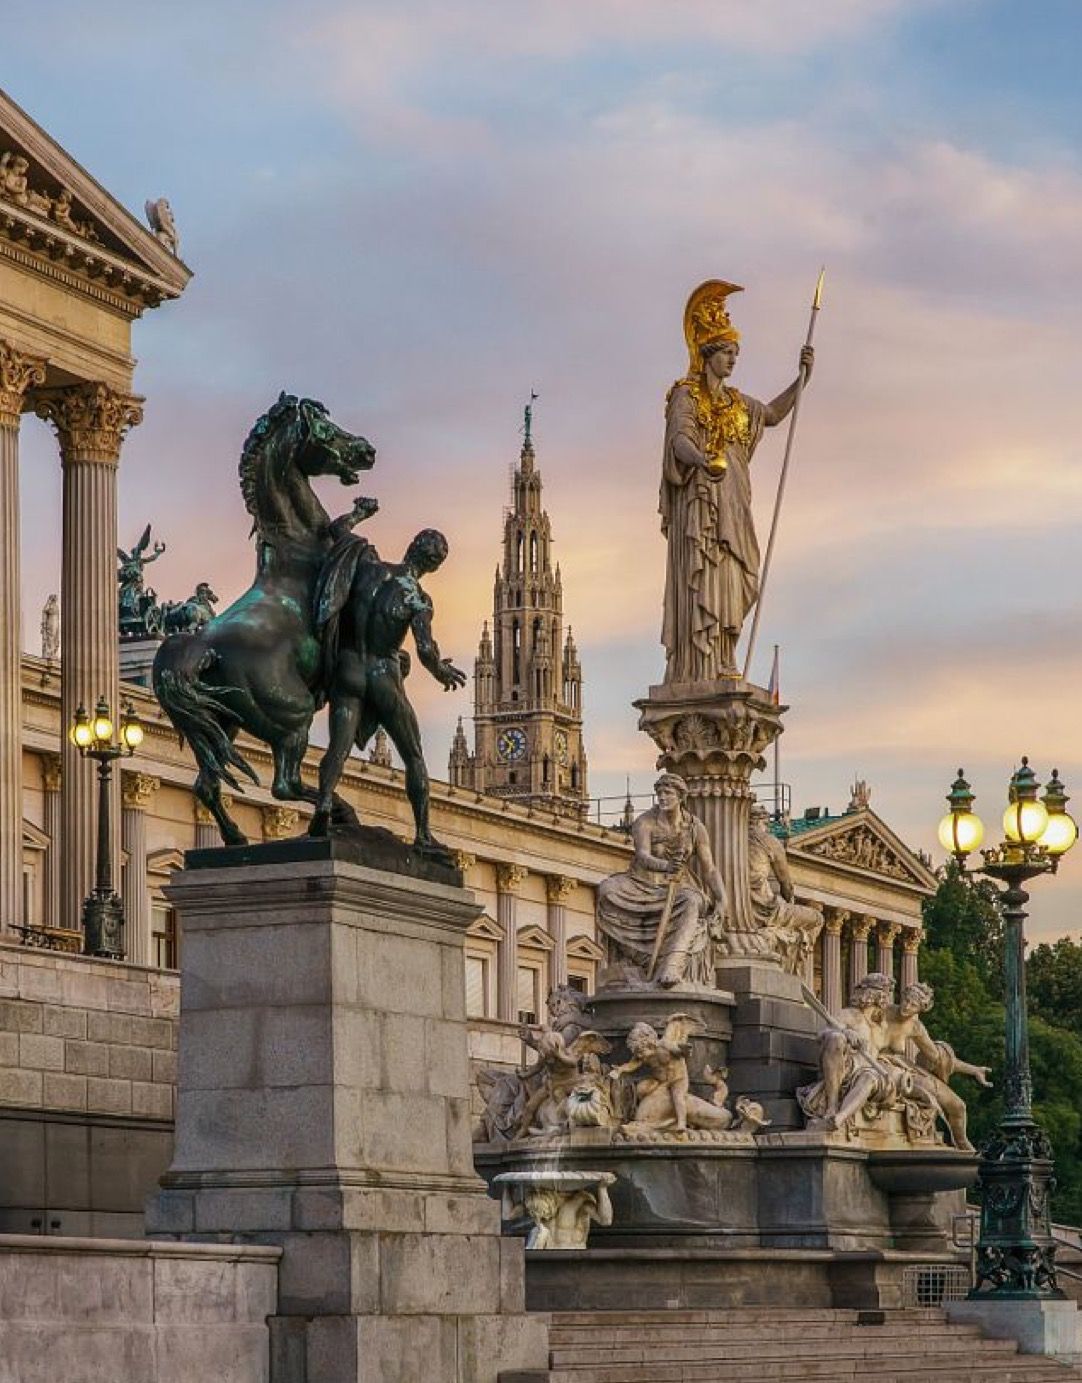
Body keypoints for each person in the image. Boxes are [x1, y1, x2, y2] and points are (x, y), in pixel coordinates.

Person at [661, 280, 814, 681]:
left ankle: (725, 653)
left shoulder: (738, 403)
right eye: (727, 353)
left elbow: (773, 415)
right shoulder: (687, 396)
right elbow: (678, 440)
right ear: (709, 353)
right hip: (702, 503)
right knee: (706, 575)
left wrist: (801, 380)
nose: (733, 361)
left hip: (734, 501)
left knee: (738, 575)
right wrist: (702, 460)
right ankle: (701, 665)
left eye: (736, 354)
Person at [309, 527, 465, 852]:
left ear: (411, 546)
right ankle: (423, 835)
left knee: (338, 749)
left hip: (348, 668)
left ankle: (323, 803)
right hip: (383, 676)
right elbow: (425, 650)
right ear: (434, 567)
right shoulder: (418, 599)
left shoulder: (369, 568)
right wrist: (441, 671)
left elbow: (336, 534)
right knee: (413, 755)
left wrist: (359, 516)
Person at [596, 773, 726, 987]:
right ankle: (641, 958)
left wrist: (722, 898)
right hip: (641, 883)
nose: (663, 798)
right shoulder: (644, 822)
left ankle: (672, 964)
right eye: (660, 794)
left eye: (668, 793)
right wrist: (666, 865)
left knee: (692, 901)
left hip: (677, 886)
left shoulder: (696, 828)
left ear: (680, 796)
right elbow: (642, 856)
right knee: (606, 890)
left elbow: (709, 869)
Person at [878, 981, 992, 1152]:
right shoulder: (882, 1012)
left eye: (913, 1005)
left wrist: (973, 1070)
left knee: (958, 1106)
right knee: (927, 1094)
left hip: (904, 1068)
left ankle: (962, 1145)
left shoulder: (915, 1027)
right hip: (881, 1067)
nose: (907, 1007)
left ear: (920, 1010)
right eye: (906, 1000)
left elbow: (939, 1058)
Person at [745, 803, 823, 973]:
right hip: (765, 908)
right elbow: (786, 884)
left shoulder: (732, 840)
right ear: (762, 822)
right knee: (817, 918)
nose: (767, 828)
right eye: (766, 824)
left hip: (740, 908)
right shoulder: (769, 841)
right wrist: (789, 901)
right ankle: (795, 964)